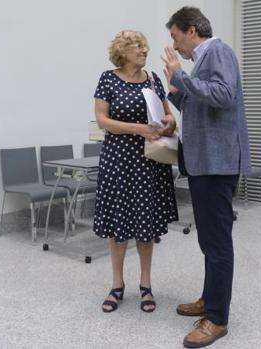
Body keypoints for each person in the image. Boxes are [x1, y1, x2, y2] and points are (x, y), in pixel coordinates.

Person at [161, 6, 251, 348]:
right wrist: (175, 90)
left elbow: (225, 96)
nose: (175, 44)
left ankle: (216, 319)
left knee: (217, 242)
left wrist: (181, 77)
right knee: (209, 241)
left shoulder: (219, 51)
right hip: (204, 163)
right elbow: (201, 104)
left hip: (217, 163)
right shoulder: (202, 60)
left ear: (191, 30)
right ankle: (208, 299)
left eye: (175, 36)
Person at [93, 30, 178, 313]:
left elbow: (170, 120)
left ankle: (146, 286)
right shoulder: (108, 78)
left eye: (145, 46)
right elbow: (102, 120)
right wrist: (139, 128)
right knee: (118, 227)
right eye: (138, 46)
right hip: (118, 161)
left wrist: (168, 124)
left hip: (148, 163)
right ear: (122, 51)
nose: (144, 50)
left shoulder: (153, 80)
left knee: (145, 226)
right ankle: (117, 285)